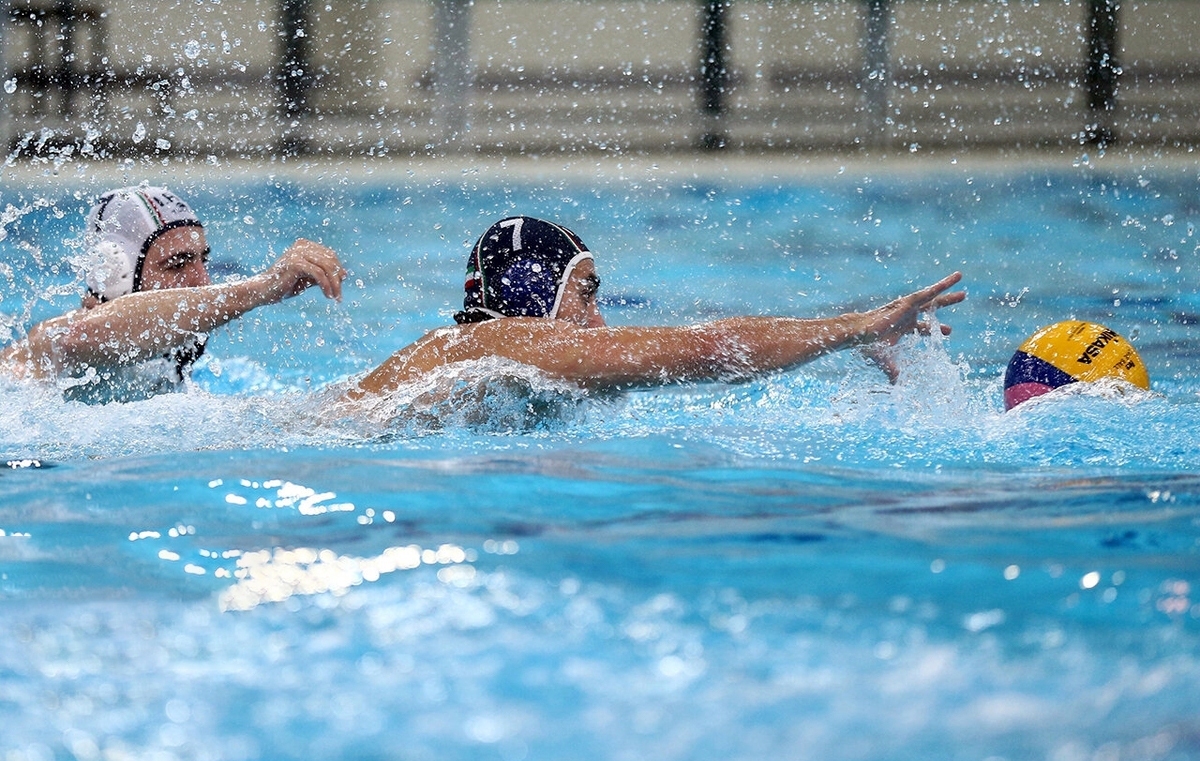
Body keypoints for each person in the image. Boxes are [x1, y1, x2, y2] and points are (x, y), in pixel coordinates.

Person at [343, 216, 964, 404]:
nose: (599, 321)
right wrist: (857, 325)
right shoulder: (503, 343)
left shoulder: (472, 355)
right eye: (585, 294)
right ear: (535, 290)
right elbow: (711, 350)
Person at [0, 186, 346, 402]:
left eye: (202, 260)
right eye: (177, 264)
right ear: (116, 275)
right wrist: (262, 288)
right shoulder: (49, 347)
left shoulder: (188, 371)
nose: (201, 280)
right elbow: (84, 335)